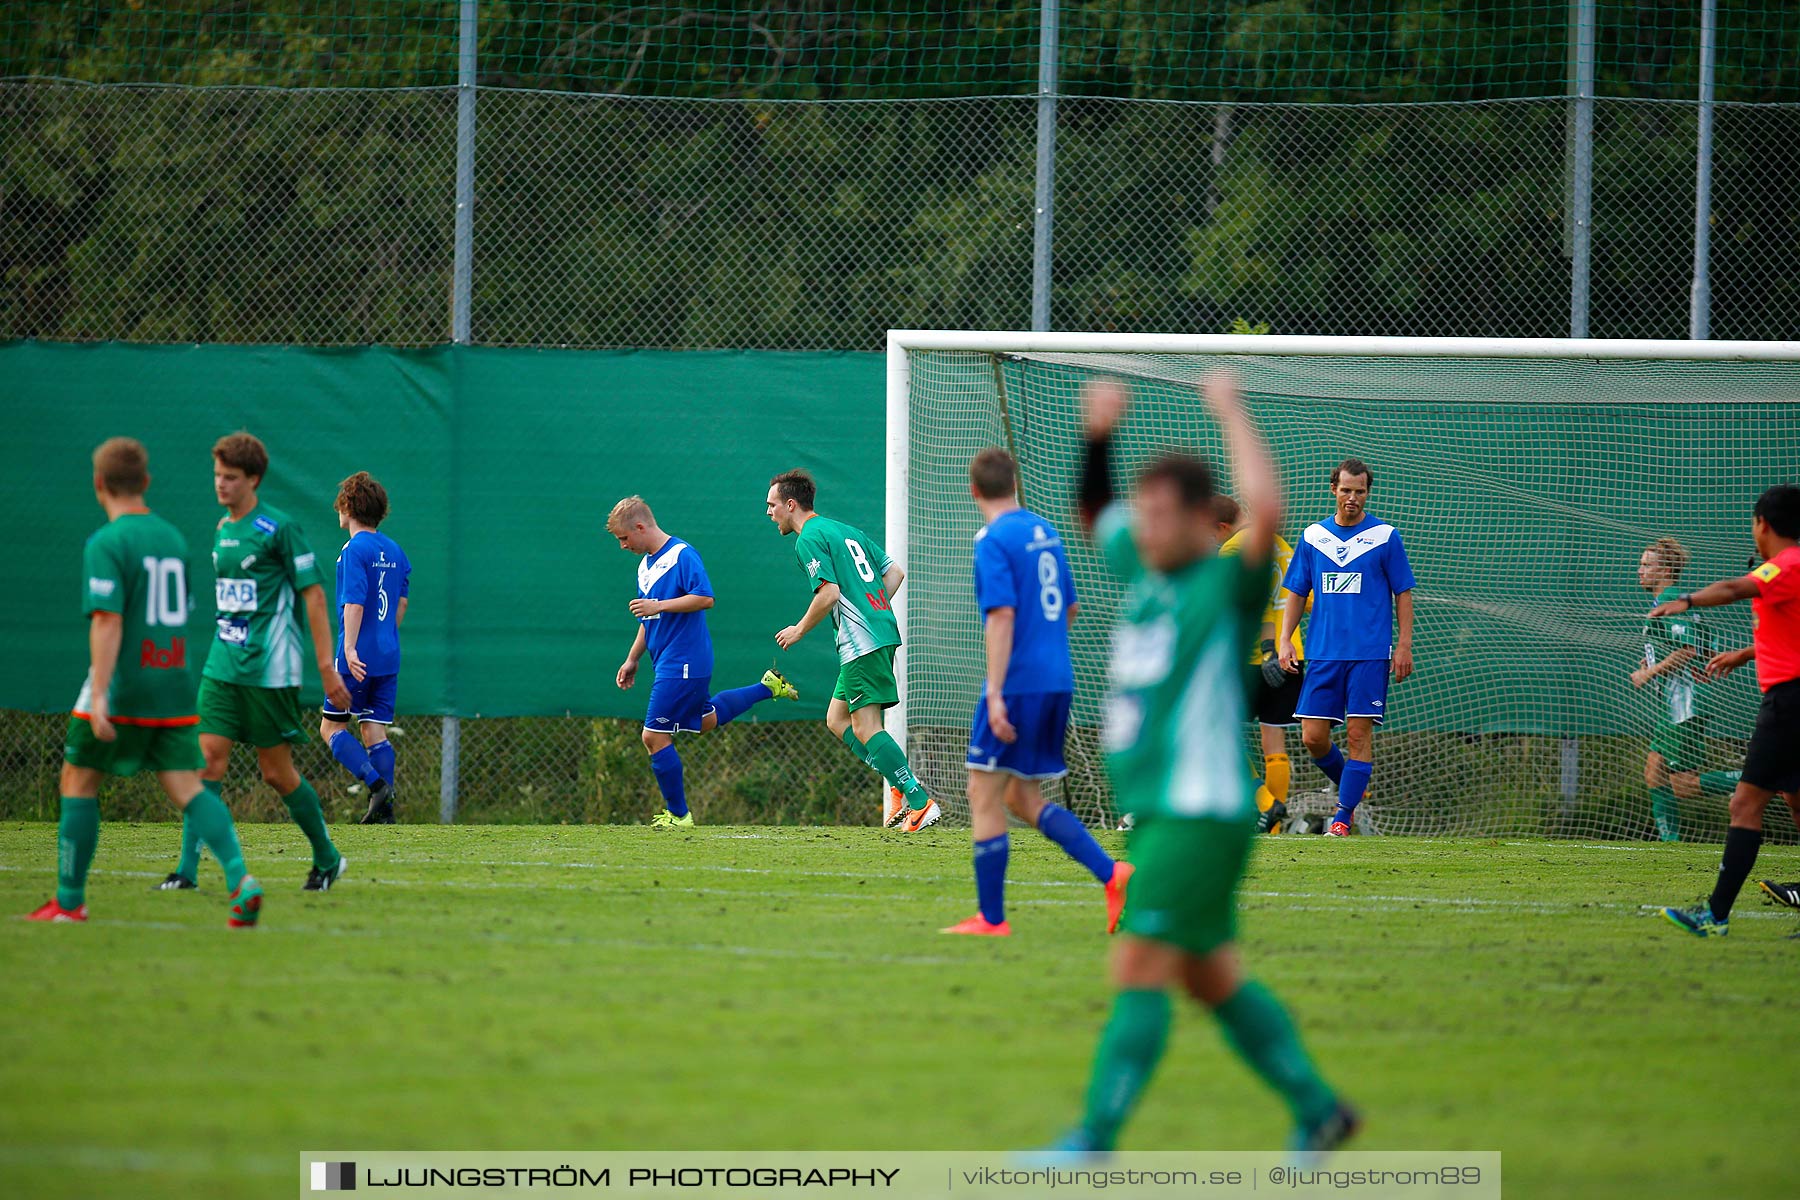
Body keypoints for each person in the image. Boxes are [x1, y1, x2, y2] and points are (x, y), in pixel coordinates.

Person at [1048, 375, 1356, 1155]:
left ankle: (1094, 1139)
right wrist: (1097, 438)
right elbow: (1095, 512)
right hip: (1163, 815)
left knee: (1140, 961)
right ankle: (1318, 1109)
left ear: (1198, 521)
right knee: (1210, 976)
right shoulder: (1145, 568)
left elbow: (1268, 516)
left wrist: (1231, 410)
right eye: (1141, 514)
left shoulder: (1224, 584)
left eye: (1159, 515)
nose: (1142, 527)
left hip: (1199, 812)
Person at [30, 438, 262, 927]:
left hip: (126, 683)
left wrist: (99, 695)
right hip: (174, 681)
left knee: (78, 779)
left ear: (98, 485)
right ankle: (241, 880)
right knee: (187, 788)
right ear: (147, 483)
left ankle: (69, 902)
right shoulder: (173, 538)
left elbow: (109, 622)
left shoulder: (107, 543)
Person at [943, 447, 1133, 937]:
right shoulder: (1044, 531)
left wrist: (998, 692)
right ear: (1015, 483)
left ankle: (991, 918)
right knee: (1022, 798)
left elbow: (1001, 615)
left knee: (980, 791)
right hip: (1057, 679)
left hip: (1020, 684)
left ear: (974, 490)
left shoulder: (992, 539)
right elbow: (1069, 608)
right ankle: (1114, 874)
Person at [160, 433, 351, 893]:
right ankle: (185, 872)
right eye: (217, 476)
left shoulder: (279, 529)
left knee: (276, 774)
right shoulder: (223, 529)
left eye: (231, 478)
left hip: (271, 670)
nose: (221, 485)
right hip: (222, 666)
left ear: (254, 479)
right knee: (205, 761)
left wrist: (326, 667)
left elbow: (315, 596)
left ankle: (327, 858)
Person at [1656, 484, 1800, 937]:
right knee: (1796, 801)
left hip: (1790, 702)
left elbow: (1739, 587)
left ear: (1763, 524)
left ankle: (1714, 915)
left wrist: (1687, 599)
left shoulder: (1787, 565)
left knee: (1744, 803)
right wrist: (1743, 655)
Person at [767, 469, 939, 832]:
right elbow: (894, 574)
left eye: (773, 505)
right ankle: (897, 781)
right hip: (872, 633)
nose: (769, 512)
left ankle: (919, 802)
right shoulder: (845, 530)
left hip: (862, 640)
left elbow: (828, 593)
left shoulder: (808, 537)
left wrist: (799, 629)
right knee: (837, 719)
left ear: (791, 504)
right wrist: (873, 609)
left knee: (865, 726)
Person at [610, 496, 798, 827]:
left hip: (684, 659)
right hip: (668, 659)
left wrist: (660, 606)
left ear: (640, 527)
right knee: (706, 720)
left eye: (624, 538)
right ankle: (767, 686)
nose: (623, 546)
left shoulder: (682, 555)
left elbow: (705, 598)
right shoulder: (645, 566)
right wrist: (632, 658)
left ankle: (679, 815)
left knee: (653, 736)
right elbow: (648, 618)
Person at [1278, 458, 1417, 837]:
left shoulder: (1385, 537)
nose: (1352, 497)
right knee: (1312, 737)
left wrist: (1403, 645)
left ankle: (1342, 818)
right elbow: (1295, 592)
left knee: (1358, 736)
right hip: (1323, 653)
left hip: (1369, 654)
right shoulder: (1313, 537)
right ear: (1333, 490)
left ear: (1367, 493)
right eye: (1346, 490)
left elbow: (1403, 593)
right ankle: (1354, 786)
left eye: (1360, 491)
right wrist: (1285, 638)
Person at [317, 472, 412, 825]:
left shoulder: (354, 550)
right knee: (374, 729)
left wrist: (352, 649)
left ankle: (376, 786)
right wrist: (385, 638)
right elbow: (400, 604)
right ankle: (384, 811)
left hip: (356, 656)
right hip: (388, 654)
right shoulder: (395, 550)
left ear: (348, 506)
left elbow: (353, 603)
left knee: (331, 728)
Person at [1631, 536, 1739, 842]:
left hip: (1686, 703)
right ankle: (1671, 845)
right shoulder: (1666, 603)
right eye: (1640, 564)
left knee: (1683, 785)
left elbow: (1689, 649)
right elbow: (1689, 645)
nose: (1639, 571)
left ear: (1665, 570)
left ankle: (1764, 780)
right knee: (1654, 771)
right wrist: (1649, 661)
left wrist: (1649, 673)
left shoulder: (1674, 600)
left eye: (1646, 565)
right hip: (1676, 702)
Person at [1216, 495, 1309, 836]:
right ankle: (1274, 827)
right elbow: (1306, 598)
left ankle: (1265, 804)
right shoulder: (1282, 545)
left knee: (1219, 735)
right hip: (1292, 654)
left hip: (1253, 657)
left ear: (1221, 527)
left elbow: (1242, 604)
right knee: (1275, 741)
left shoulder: (1232, 549)